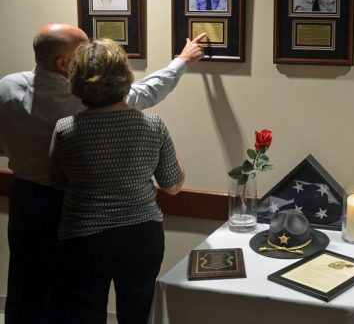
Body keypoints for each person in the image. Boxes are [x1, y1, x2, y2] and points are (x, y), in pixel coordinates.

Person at [0, 23, 205, 323]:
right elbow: (146, 92)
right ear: (63, 64)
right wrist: (182, 61)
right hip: (88, 212)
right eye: (82, 50)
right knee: (98, 303)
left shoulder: (6, 88)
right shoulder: (86, 102)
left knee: (30, 287)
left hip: (31, 203)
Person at [49, 39, 185, 323]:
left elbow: (57, 181)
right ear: (124, 77)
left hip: (84, 238)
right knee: (136, 315)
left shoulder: (64, 130)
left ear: (76, 81)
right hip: (140, 236)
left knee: (84, 314)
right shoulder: (153, 126)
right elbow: (173, 186)